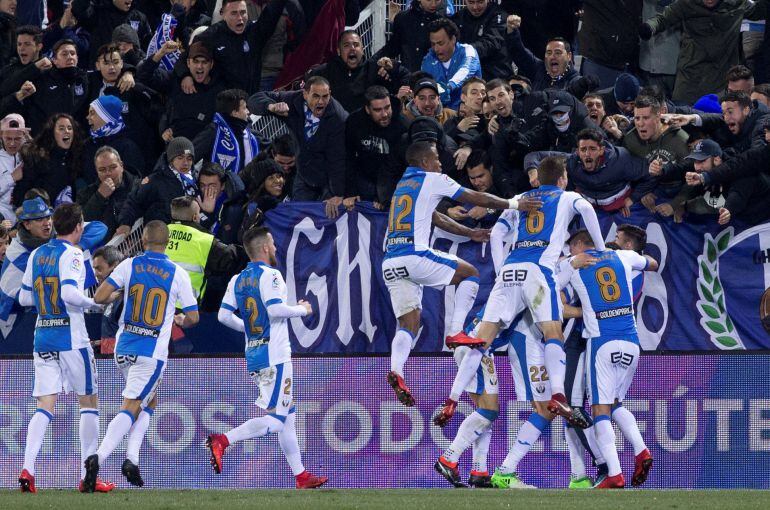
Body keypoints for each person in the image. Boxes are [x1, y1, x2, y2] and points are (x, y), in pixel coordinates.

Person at [438, 157, 606, 429]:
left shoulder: (520, 197)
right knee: (553, 332)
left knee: (481, 341)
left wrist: (501, 268)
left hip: (510, 271)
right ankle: (559, 396)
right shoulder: (567, 197)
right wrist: (600, 248)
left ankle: (452, 399)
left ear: (538, 178)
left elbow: (495, 235)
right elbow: (586, 209)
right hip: (539, 270)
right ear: (563, 179)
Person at [383, 141, 540, 407]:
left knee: (408, 324)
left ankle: (397, 370)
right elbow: (476, 197)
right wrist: (514, 204)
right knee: (470, 274)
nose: (441, 163)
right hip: (413, 254)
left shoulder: (402, 186)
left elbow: (437, 218)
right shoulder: (433, 179)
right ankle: (456, 331)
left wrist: (469, 233)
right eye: (436, 158)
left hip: (390, 262)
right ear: (424, 163)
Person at [207, 226, 328, 489]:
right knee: (277, 420)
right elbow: (274, 308)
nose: (274, 248)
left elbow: (223, 316)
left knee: (288, 416)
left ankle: (301, 476)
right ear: (264, 248)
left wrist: (249, 331)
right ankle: (223, 440)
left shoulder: (237, 279)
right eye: (272, 244)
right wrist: (302, 309)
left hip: (255, 353)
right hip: (275, 355)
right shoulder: (271, 275)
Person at [83, 220, 199, 492]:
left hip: (123, 348)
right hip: (151, 352)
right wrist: (180, 318)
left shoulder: (129, 264)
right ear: (167, 243)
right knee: (132, 405)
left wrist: (123, 293)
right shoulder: (177, 273)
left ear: (143, 241)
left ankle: (132, 459)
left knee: (150, 401)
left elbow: (99, 297)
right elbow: (193, 316)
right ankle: (97, 457)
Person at [17, 203, 115, 494]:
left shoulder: (36, 254)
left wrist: (47, 300)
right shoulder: (72, 253)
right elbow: (70, 293)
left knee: (45, 405)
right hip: (71, 338)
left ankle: (28, 469)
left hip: (43, 335)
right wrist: (95, 303)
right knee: (88, 402)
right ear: (78, 227)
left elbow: (23, 298)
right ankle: (88, 475)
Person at [557, 237, 658, 488]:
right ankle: (641, 449)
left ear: (581, 245)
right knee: (615, 404)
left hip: (602, 342)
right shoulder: (623, 256)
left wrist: (568, 263)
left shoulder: (575, 265)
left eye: (572, 246)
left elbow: (549, 290)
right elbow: (653, 263)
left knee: (599, 410)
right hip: (632, 342)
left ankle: (613, 473)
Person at [250, 76, 348, 210]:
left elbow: (338, 159)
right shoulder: (292, 100)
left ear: (330, 94)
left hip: (329, 180)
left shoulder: (338, 118)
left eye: (325, 96)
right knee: (296, 217)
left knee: (325, 219)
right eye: (316, 96)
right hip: (304, 176)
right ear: (305, 94)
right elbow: (255, 99)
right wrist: (271, 106)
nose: (321, 101)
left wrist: (337, 193)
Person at [639, 0, 761, 104]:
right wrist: (649, 27)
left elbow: (759, 10)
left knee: (719, 123)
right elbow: (663, 18)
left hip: (722, 78)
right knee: (682, 117)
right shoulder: (686, 3)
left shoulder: (737, 3)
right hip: (690, 77)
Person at [524, 128, 655, 217]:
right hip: (588, 207)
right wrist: (532, 171)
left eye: (592, 149)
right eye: (583, 149)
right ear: (578, 151)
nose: (587, 154)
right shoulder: (572, 160)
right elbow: (534, 156)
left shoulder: (620, 160)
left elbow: (651, 174)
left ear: (602, 150)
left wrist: (633, 198)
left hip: (621, 207)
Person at [188, 0, 289, 94]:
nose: (240, 18)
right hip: (221, 101)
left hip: (250, 100)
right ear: (223, 14)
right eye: (234, 13)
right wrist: (185, 75)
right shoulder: (211, 35)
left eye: (243, 12)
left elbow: (271, 14)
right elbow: (188, 55)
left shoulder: (254, 32)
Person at [137, 41, 227, 142]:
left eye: (204, 62)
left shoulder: (220, 91)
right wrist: (161, 53)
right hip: (174, 148)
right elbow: (143, 76)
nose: (199, 66)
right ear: (188, 63)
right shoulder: (175, 80)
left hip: (204, 150)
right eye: (196, 61)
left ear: (211, 64)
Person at [166, 195, 241, 308]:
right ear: (195, 217)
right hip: (184, 308)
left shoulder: (159, 233)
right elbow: (229, 258)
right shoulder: (204, 240)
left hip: (156, 301)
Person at [308, 30, 409, 113]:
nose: (352, 49)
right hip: (335, 126)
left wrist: (393, 71)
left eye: (356, 45)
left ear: (362, 49)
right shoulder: (325, 71)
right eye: (346, 45)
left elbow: (407, 77)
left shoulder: (375, 68)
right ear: (338, 51)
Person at [115, 136, 197, 232]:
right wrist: (125, 224)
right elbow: (134, 201)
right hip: (162, 238)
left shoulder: (195, 179)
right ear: (171, 160)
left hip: (188, 235)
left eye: (189, 158)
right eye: (180, 158)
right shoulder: (155, 181)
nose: (185, 163)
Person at [9, 39, 90, 135]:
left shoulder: (85, 80)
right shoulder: (42, 79)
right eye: (64, 54)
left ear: (77, 58)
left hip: (75, 138)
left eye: (72, 53)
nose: (70, 57)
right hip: (45, 137)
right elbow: (12, 85)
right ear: (54, 60)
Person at [344, 86, 407, 207]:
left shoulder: (402, 126)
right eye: (378, 110)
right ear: (367, 109)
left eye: (387, 107)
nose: (384, 114)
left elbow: (401, 167)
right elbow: (348, 157)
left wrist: (384, 196)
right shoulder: (354, 122)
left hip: (394, 181)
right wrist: (350, 192)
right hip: (364, 178)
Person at [15, 113, 84, 208]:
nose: (67, 131)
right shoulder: (37, 157)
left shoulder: (73, 159)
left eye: (69, 128)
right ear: (52, 133)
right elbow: (20, 194)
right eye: (61, 128)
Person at [0, 197, 53, 321]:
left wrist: (80, 245)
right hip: (17, 318)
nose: (47, 223)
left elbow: (99, 228)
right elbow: (16, 296)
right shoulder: (17, 253)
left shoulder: (55, 238)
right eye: (40, 219)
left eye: (48, 217)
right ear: (27, 224)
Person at [504, 15, 585, 94]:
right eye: (549, 53)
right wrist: (512, 30)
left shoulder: (576, 82)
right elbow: (519, 52)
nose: (552, 56)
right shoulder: (539, 69)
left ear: (569, 56)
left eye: (558, 53)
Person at [192, 89, 259, 174]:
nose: (248, 112)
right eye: (245, 108)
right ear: (235, 113)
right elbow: (190, 156)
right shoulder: (213, 131)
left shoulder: (251, 135)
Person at [420, 18, 482, 110]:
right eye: (433, 44)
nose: (436, 49)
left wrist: (449, 87)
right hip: (440, 114)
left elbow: (465, 71)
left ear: (453, 39)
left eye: (440, 43)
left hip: (469, 112)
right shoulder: (428, 59)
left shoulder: (468, 51)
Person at [77, 146, 138, 238]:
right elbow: (81, 225)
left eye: (112, 167)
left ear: (121, 166)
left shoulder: (138, 186)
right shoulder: (85, 194)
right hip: (104, 249)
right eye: (102, 170)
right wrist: (99, 197)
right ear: (97, 171)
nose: (108, 173)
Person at [83, 94, 145, 181]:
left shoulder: (127, 146)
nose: (88, 117)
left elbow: (134, 182)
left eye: (92, 113)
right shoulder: (88, 144)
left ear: (106, 117)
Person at [71, 0, 152, 66]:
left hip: (132, 73)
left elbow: (148, 46)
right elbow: (79, 10)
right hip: (102, 70)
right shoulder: (98, 13)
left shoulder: (139, 17)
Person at [374, 0, 444, 72]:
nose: (433, 4)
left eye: (437, 0)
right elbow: (392, 47)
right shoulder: (402, 18)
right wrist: (375, 62)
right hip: (408, 76)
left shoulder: (443, 23)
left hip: (434, 77)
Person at [452, 0, 511, 80]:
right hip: (466, 74)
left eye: (480, 2)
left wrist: (466, 50)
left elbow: (492, 42)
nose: (475, 7)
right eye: (471, 2)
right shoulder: (458, 17)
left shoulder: (498, 15)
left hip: (495, 74)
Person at [91, 245, 124, 355]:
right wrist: (99, 343)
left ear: (114, 266)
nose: (96, 274)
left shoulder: (125, 297)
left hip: (120, 360)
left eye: (99, 269)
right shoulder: (110, 295)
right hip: (108, 358)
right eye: (95, 269)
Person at [0, 112, 27, 219]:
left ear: (24, 136)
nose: (12, 143)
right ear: (1, 136)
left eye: (17, 139)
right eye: (8, 139)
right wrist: (12, 177)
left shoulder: (30, 157)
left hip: (27, 215)